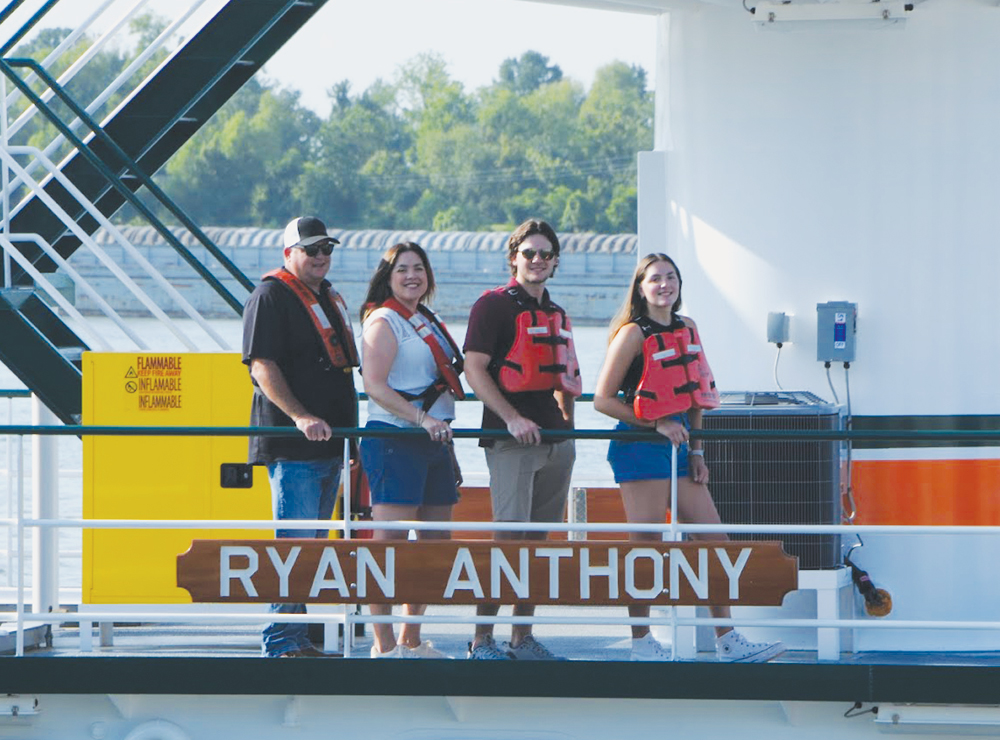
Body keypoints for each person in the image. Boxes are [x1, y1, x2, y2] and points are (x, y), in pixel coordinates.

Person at [593, 253, 785, 663]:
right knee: (646, 545)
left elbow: (696, 391)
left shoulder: (688, 328)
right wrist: (655, 424)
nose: (664, 285)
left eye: (671, 277)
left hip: (681, 447)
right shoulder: (632, 334)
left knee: (715, 540)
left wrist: (698, 451)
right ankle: (641, 642)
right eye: (655, 279)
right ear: (641, 288)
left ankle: (727, 639)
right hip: (640, 447)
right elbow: (602, 400)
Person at [463, 219, 581, 660]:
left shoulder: (556, 312)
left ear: (554, 262)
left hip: (556, 442)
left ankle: (522, 636)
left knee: (537, 542)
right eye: (529, 253)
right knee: (508, 539)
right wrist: (510, 418)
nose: (537, 261)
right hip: (510, 441)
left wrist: (568, 433)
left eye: (546, 254)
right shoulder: (492, 307)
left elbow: (565, 378)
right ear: (514, 257)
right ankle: (481, 640)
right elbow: (474, 368)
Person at [243, 216, 359, 658]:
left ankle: (299, 632)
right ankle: (281, 640)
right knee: (293, 544)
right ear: (288, 253)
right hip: (295, 449)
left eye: (327, 248)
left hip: (332, 445)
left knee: (310, 545)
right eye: (311, 249)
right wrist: (300, 416)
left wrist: (350, 442)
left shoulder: (326, 296)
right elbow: (262, 366)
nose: (321, 256)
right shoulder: (271, 295)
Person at [358, 242, 464, 659]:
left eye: (418, 268)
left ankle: (411, 638)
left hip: (436, 442)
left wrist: (442, 439)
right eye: (402, 269)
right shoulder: (384, 321)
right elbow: (375, 386)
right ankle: (383, 645)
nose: (411, 276)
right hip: (395, 440)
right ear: (389, 276)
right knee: (389, 543)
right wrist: (421, 421)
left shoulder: (426, 319)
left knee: (436, 541)